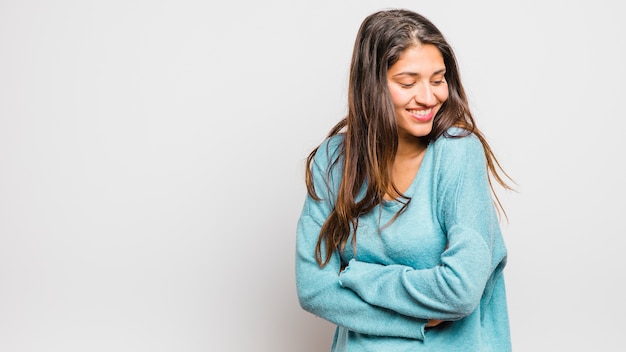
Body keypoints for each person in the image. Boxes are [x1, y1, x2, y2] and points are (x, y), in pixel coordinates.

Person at [295, 8, 515, 352]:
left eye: (438, 80)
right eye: (408, 83)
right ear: (371, 86)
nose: (429, 98)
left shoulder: (458, 154)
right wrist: (412, 320)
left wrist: (358, 275)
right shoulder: (333, 160)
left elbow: (461, 291)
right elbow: (313, 288)